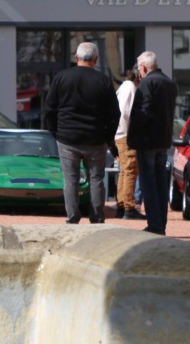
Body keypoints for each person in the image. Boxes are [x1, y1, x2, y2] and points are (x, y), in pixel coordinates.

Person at [42, 42, 121, 225]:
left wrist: (55, 132)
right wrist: (108, 138)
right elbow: (114, 114)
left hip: (67, 138)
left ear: (76, 58)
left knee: (71, 180)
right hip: (95, 139)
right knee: (96, 180)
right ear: (96, 59)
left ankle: (72, 218)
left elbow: (49, 109)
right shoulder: (103, 80)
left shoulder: (62, 77)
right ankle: (97, 218)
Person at [127, 50, 178, 236]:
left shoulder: (147, 82)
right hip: (163, 140)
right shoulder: (169, 82)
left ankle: (155, 225)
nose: (138, 71)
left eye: (139, 67)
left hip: (147, 140)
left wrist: (131, 137)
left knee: (148, 183)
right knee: (160, 183)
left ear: (143, 67)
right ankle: (161, 223)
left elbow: (142, 111)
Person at [113, 67, 144, 220]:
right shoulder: (130, 88)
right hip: (126, 136)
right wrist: (130, 136)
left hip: (120, 135)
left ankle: (121, 205)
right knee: (131, 170)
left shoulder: (124, 87)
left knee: (124, 171)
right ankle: (129, 207)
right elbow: (125, 114)